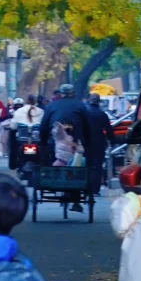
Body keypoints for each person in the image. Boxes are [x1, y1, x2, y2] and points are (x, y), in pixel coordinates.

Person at [38, 84, 93, 212]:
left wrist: (43, 141)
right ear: (73, 94)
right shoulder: (80, 105)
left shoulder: (52, 105)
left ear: (60, 94)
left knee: (49, 158)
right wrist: (87, 144)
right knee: (78, 168)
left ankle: (51, 180)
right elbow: (88, 127)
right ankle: (75, 198)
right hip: (75, 144)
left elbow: (43, 126)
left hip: (55, 144)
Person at [83, 92, 116, 195]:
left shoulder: (84, 113)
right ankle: (95, 189)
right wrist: (112, 141)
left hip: (85, 142)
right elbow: (108, 129)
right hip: (99, 143)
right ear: (98, 102)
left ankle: (85, 186)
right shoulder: (102, 114)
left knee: (86, 164)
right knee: (97, 166)